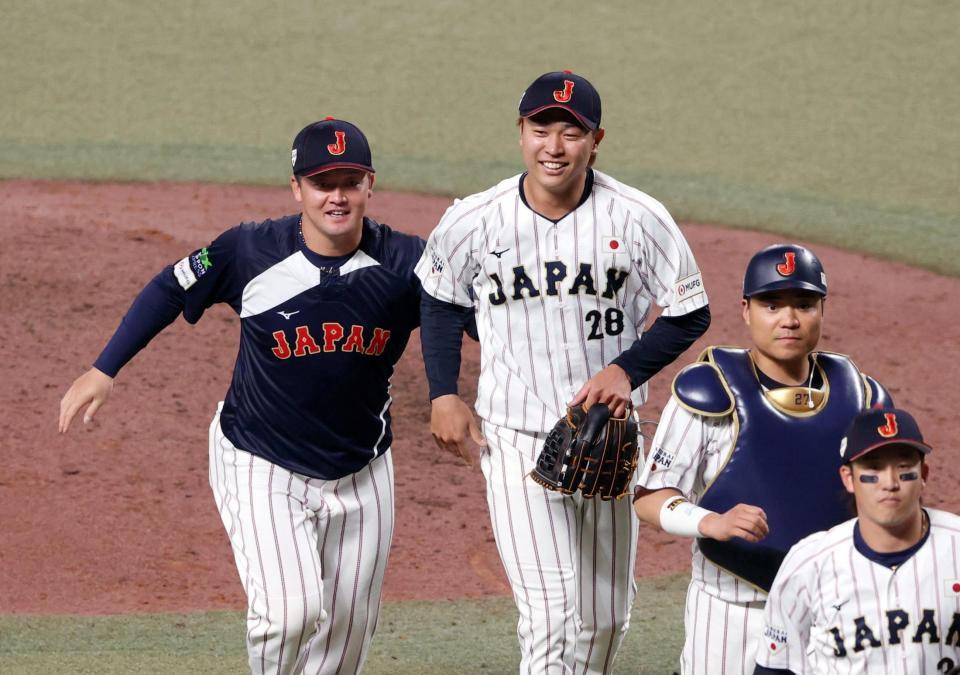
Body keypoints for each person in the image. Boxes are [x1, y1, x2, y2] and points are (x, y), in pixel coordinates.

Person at [58, 118, 426, 674]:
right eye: (323, 183)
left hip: (363, 470)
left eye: (350, 181)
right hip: (261, 458)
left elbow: (468, 319)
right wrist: (103, 368)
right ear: (296, 188)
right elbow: (171, 285)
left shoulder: (407, 263)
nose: (337, 196)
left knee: (348, 637)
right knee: (289, 614)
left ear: (370, 185)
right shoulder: (250, 251)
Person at [416, 70, 712, 673]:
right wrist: (444, 393)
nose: (554, 146)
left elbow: (689, 312)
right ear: (520, 133)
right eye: (540, 129)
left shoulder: (638, 217)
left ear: (595, 139)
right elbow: (441, 301)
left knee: (605, 617)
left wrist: (625, 370)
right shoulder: (475, 219)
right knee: (551, 618)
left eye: (570, 132)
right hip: (517, 441)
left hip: (609, 440)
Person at [633, 243, 894, 674]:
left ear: (821, 310)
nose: (789, 320)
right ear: (746, 310)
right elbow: (649, 498)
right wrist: (709, 521)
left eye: (804, 305)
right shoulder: (709, 390)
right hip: (732, 607)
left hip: (828, 606)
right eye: (771, 304)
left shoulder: (863, 396)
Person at [754, 407, 960, 675]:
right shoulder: (808, 564)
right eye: (874, 467)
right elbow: (775, 669)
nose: (890, 482)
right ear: (848, 478)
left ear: (923, 476)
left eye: (904, 467)